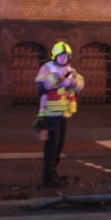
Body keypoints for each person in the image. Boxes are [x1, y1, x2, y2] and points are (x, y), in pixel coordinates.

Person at [34, 41, 84, 188]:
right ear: (55, 56)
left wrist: (72, 82)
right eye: (61, 56)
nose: (63, 59)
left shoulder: (71, 70)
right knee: (51, 146)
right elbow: (41, 84)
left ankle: (54, 173)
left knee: (59, 146)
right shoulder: (47, 68)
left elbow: (81, 85)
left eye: (66, 56)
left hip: (63, 113)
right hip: (50, 113)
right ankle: (48, 177)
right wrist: (56, 78)